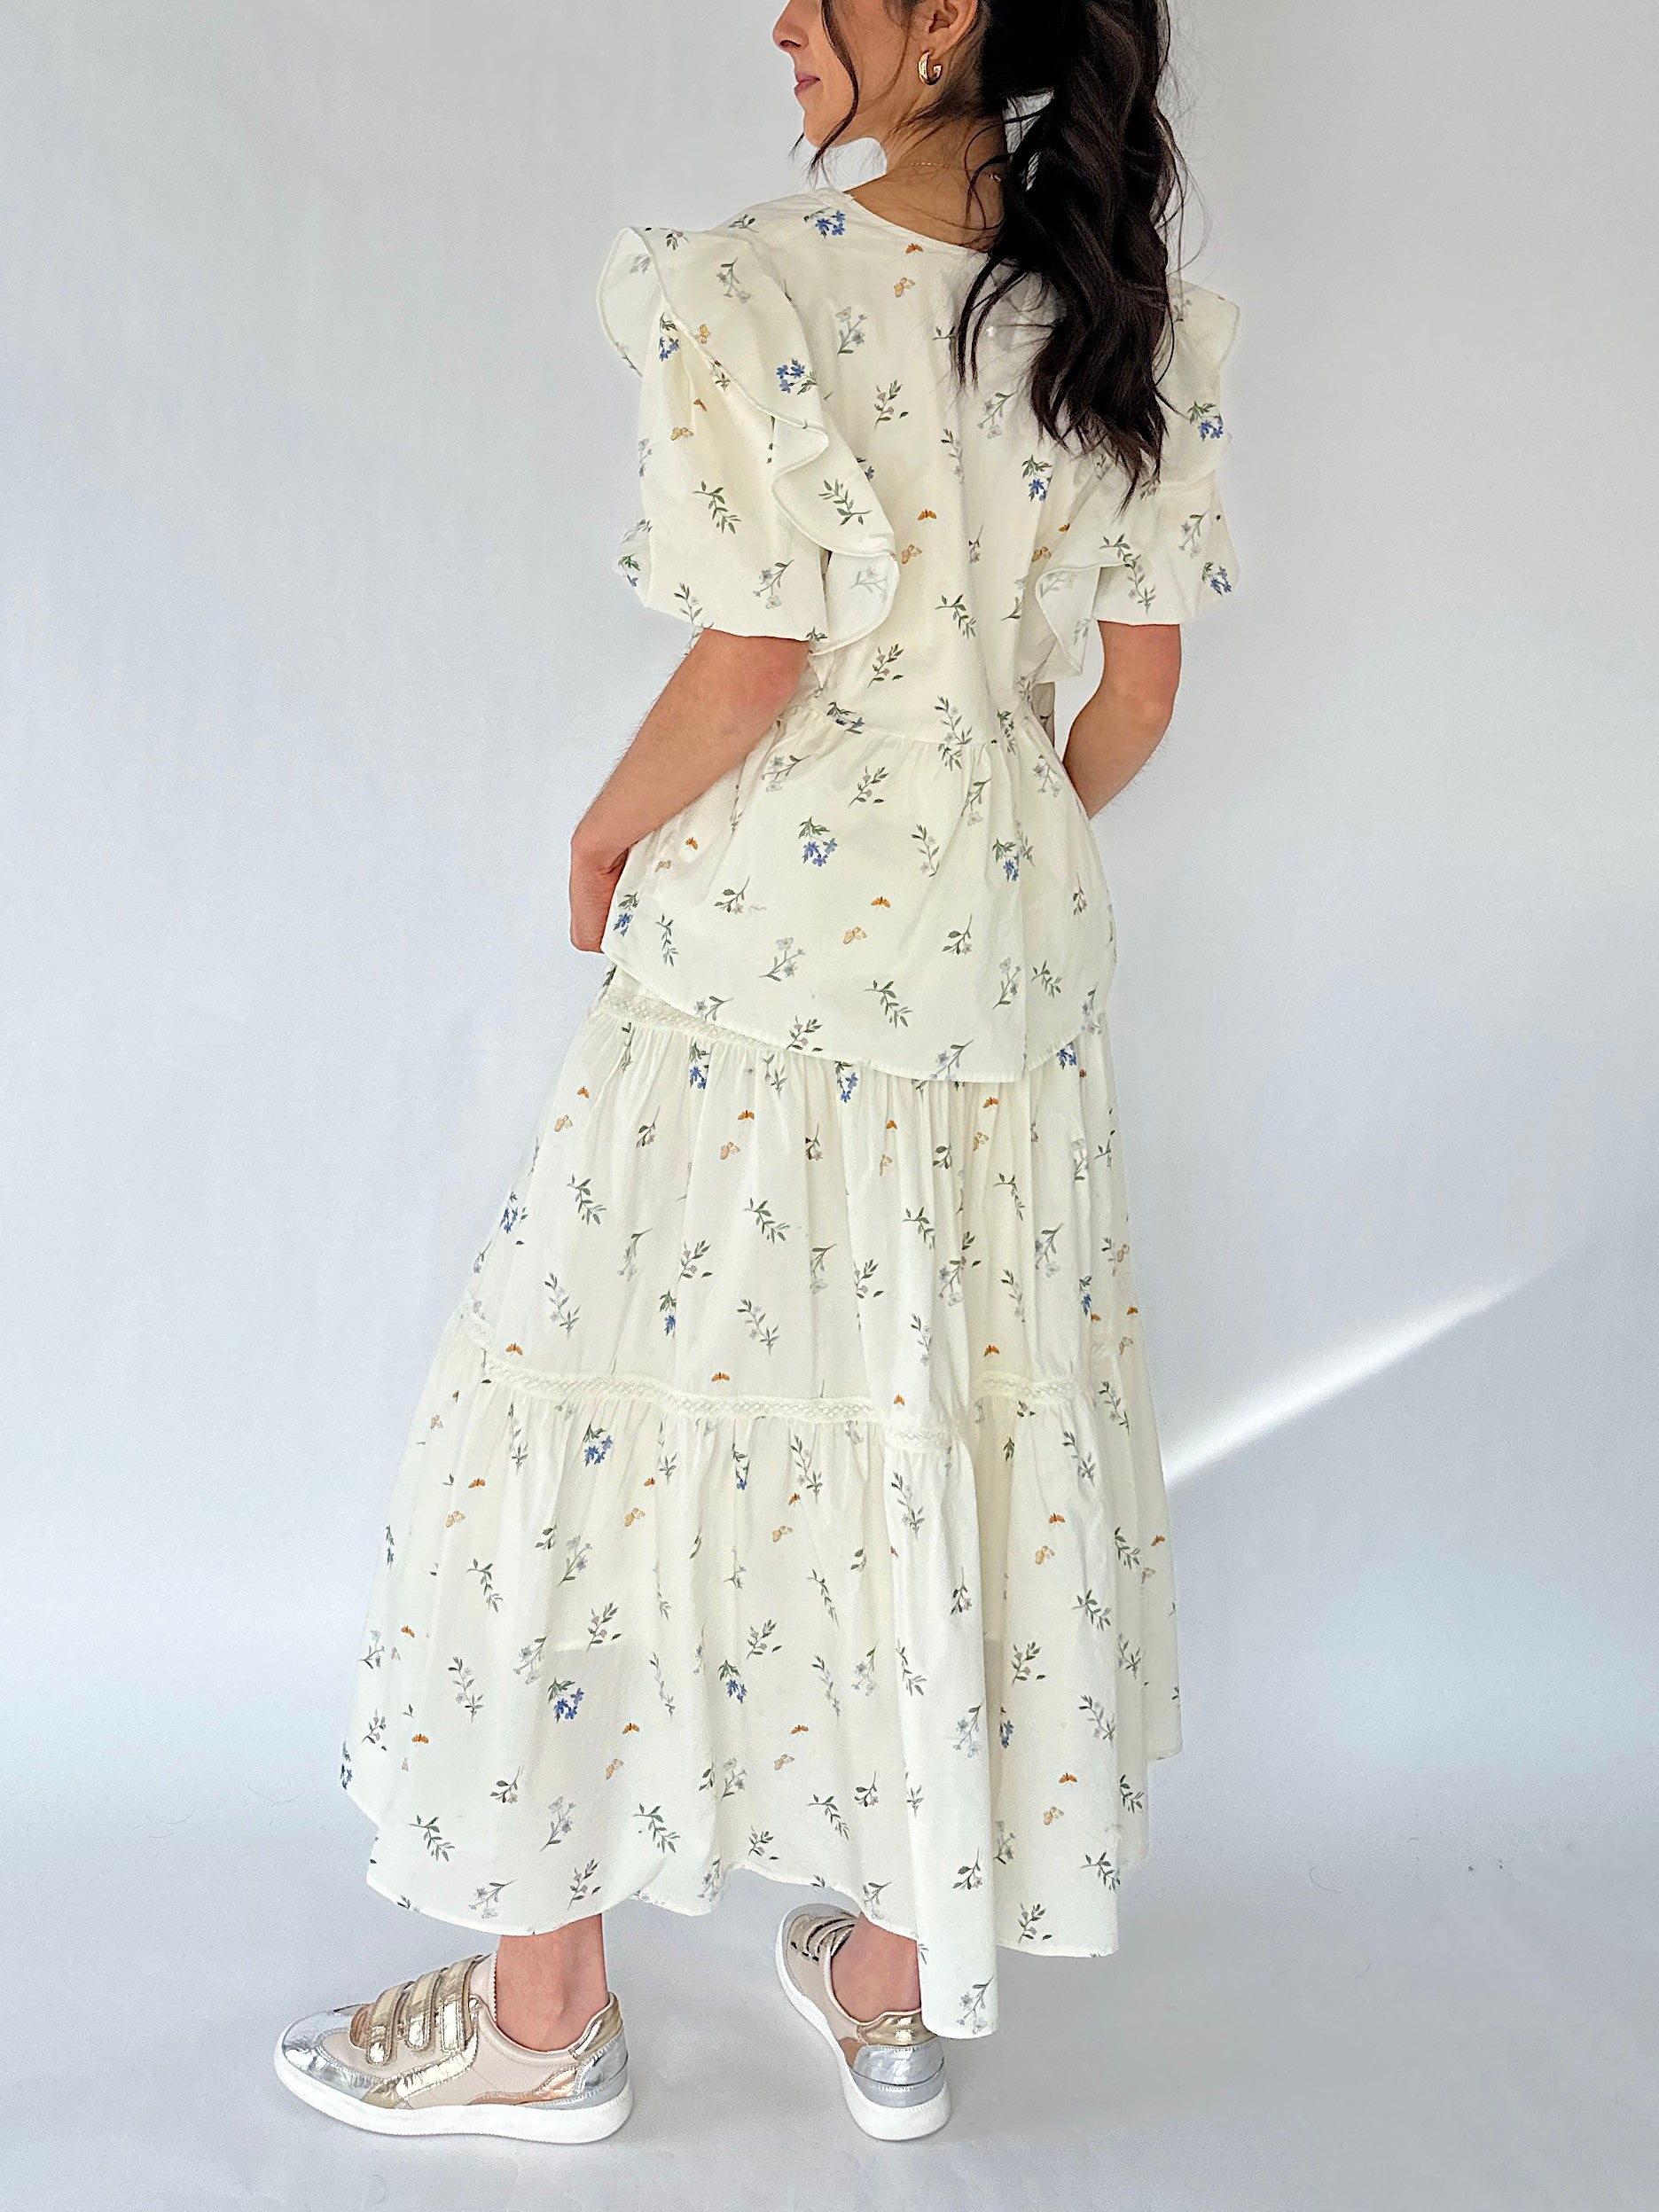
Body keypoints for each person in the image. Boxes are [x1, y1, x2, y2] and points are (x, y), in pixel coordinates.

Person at [274, 0, 1239, 2148]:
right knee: (954, 1408)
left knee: (604, 1393)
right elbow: (1142, 694)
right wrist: (997, 845)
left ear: (952, 17)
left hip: (767, 974)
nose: (779, 23)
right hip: (1013, 968)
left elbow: (754, 655)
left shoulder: (762, 288)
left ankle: (543, 2015)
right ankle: (899, 1992)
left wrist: (611, 827)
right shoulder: (1117, 315)